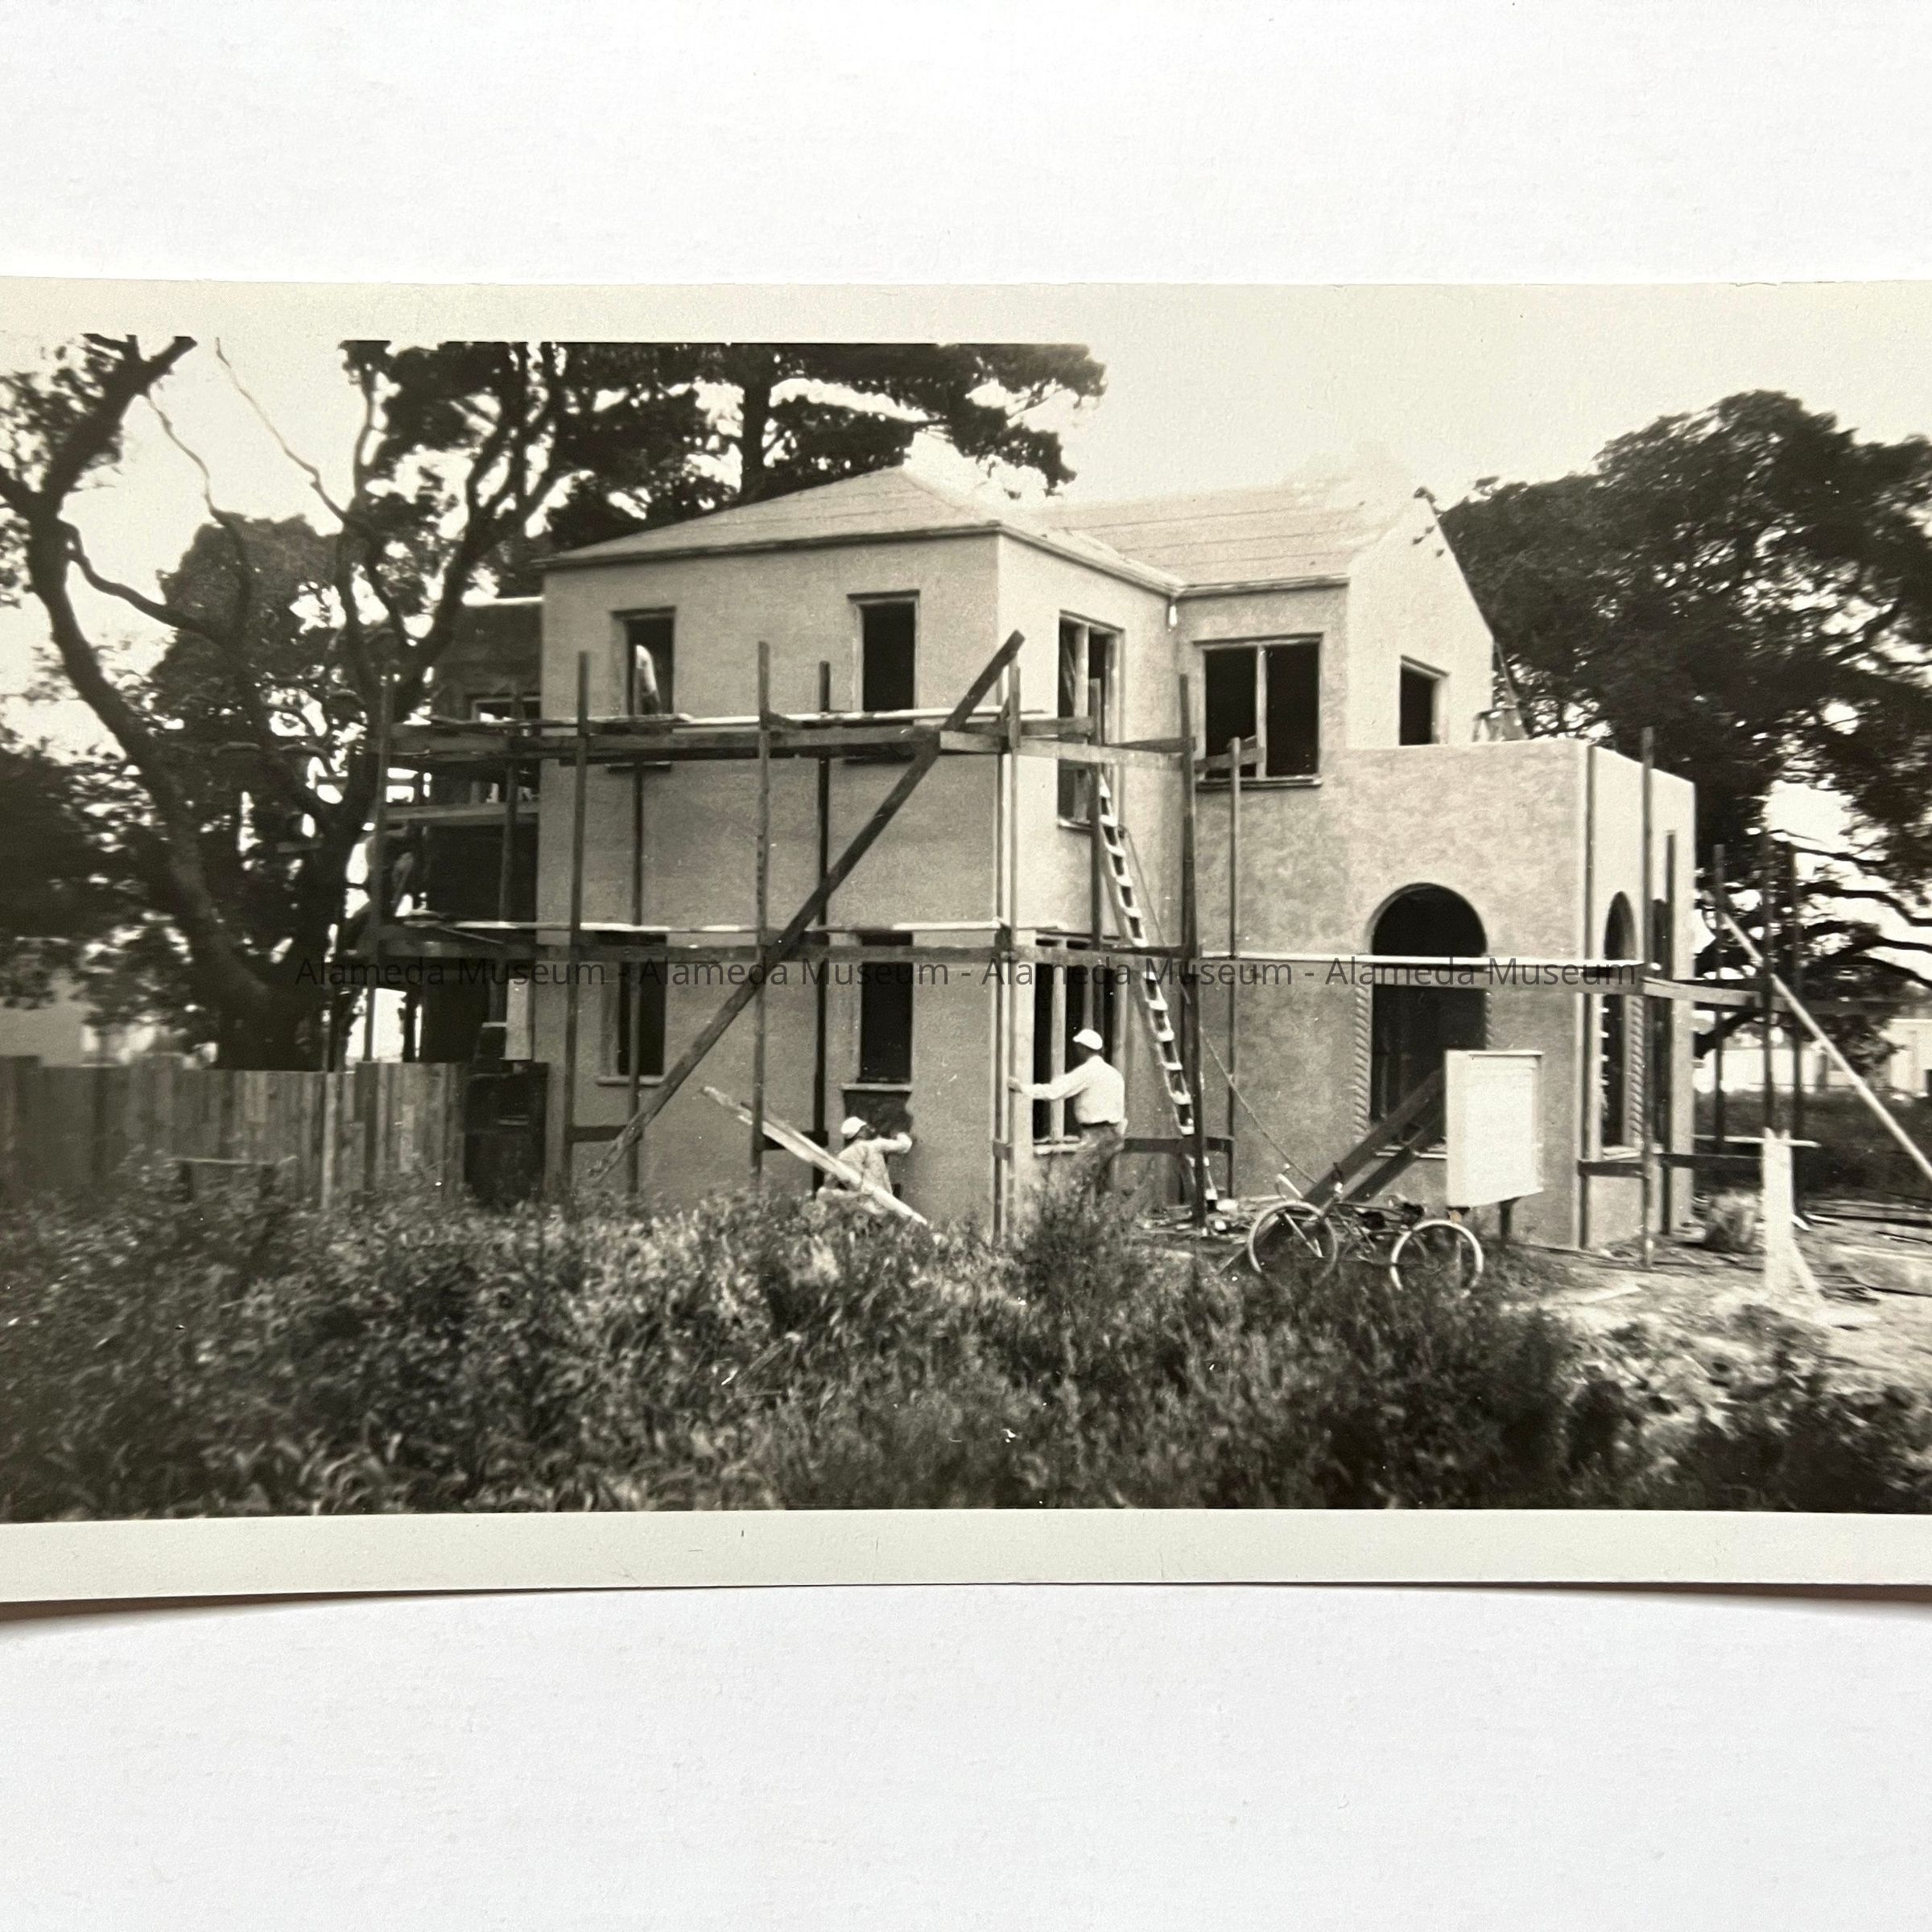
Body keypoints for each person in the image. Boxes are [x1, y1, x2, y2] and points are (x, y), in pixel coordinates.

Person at [1012, 1026, 1126, 1194]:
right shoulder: (1114, 1074)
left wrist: (1022, 1088)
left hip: (1096, 1135)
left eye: (1078, 1048)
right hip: (1115, 1134)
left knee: (1076, 1186)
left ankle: (1078, 1211)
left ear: (1083, 1049)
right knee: (1103, 1187)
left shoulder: (1087, 1072)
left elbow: (1054, 1092)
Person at [824, 1113, 913, 1216]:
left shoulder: (842, 1156)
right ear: (860, 1132)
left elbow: (829, 1183)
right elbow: (905, 1146)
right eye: (865, 1128)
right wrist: (901, 1135)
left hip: (861, 1207)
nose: (869, 1129)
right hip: (883, 1204)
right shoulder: (875, 1144)